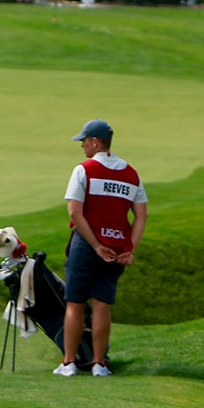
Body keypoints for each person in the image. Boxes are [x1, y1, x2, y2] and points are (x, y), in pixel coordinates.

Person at [56, 119, 147, 378]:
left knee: (75, 303)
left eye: (84, 141)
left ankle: (68, 362)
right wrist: (130, 248)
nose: (82, 145)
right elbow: (141, 216)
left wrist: (95, 244)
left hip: (87, 246)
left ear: (95, 142)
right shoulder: (132, 174)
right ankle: (99, 364)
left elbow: (75, 210)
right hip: (118, 248)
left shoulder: (84, 169)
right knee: (102, 304)